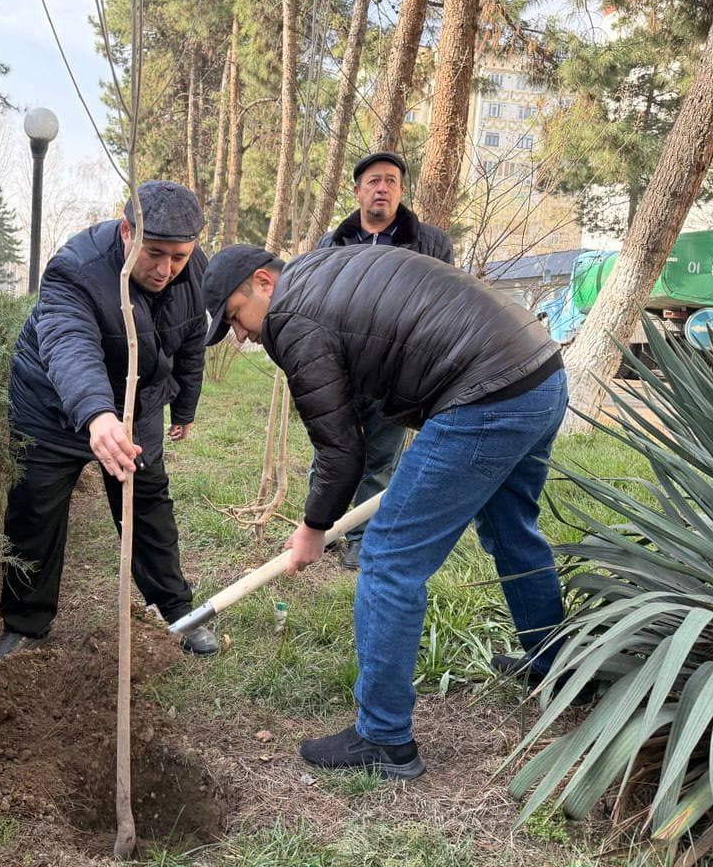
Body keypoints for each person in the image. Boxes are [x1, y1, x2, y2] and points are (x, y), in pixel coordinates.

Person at [202, 243, 567, 779]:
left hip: (485, 394)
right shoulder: (322, 271)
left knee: (390, 558)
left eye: (234, 317)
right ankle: (554, 664)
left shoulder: (291, 318)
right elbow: (363, 401)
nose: (241, 335)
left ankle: (384, 736)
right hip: (539, 373)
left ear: (262, 282)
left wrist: (312, 528)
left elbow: (339, 450)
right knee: (511, 527)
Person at [0, 181, 219, 662]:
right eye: (154, 254)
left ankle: (178, 612)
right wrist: (96, 414)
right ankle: (26, 624)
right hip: (52, 405)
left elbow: (191, 342)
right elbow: (70, 344)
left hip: (137, 404)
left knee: (149, 506)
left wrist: (186, 406)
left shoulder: (195, 271)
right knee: (35, 510)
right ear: (126, 228)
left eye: (178, 257)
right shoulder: (76, 268)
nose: (165, 270)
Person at [314, 151, 454, 570]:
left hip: (396, 373)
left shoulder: (430, 243)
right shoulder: (332, 242)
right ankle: (323, 529)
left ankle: (360, 537)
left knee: (380, 459)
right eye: (374, 181)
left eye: (391, 181)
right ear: (357, 192)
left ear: (401, 190)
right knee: (331, 450)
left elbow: (441, 305)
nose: (383, 188)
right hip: (339, 369)